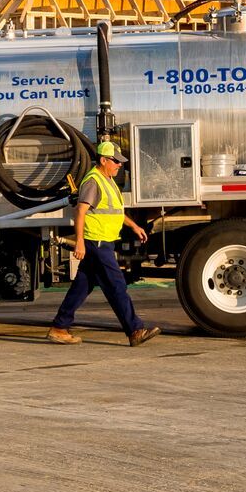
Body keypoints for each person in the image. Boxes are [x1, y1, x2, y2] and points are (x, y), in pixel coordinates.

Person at [47, 140, 161, 346]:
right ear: (103, 160)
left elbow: (115, 212)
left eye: (120, 162)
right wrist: (79, 242)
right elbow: (80, 211)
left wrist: (134, 226)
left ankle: (59, 327)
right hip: (96, 242)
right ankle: (135, 330)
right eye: (115, 161)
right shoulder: (93, 181)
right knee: (117, 285)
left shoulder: (107, 180)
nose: (119, 165)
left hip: (103, 242)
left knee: (82, 285)